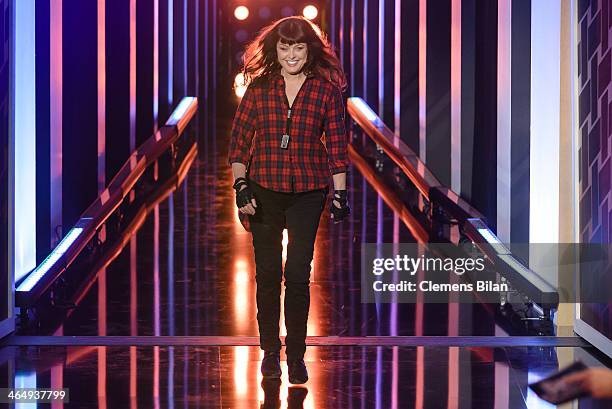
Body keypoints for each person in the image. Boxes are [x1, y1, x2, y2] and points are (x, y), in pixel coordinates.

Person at [227, 16, 350, 384]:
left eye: (298, 47)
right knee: (267, 275)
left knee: (298, 274)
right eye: (284, 47)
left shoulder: (325, 91)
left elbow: (338, 150)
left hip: (308, 194)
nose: (291, 55)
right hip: (263, 190)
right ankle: (269, 352)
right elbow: (237, 144)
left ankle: (296, 356)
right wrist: (241, 186)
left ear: (309, 50)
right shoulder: (259, 89)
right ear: (275, 50)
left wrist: (340, 193)